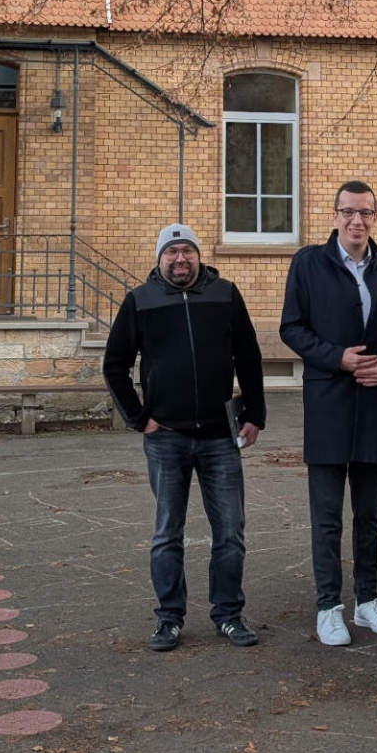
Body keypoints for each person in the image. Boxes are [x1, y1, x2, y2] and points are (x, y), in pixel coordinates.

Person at [103, 223, 266, 652]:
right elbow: (114, 365)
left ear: (198, 256)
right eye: (172, 252)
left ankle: (228, 614)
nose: (180, 259)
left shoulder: (225, 294)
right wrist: (140, 418)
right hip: (166, 437)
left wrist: (255, 414)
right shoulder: (141, 300)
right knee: (166, 534)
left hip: (219, 437)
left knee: (230, 531)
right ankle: (169, 619)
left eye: (187, 252)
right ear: (160, 259)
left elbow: (248, 355)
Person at [280, 180, 377, 646]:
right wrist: (337, 357)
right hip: (329, 405)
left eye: (366, 213)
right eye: (349, 212)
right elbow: (291, 327)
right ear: (335, 216)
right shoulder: (309, 264)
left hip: (376, 403)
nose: (357, 221)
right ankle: (328, 606)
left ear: (375, 217)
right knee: (327, 516)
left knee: (370, 513)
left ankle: (368, 600)